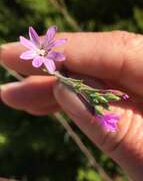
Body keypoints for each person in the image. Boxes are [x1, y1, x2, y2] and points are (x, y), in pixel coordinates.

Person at [0, 31, 143, 181]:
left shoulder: (51, 55)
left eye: (43, 50)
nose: (42, 51)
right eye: (40, 51)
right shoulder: (42, 58)